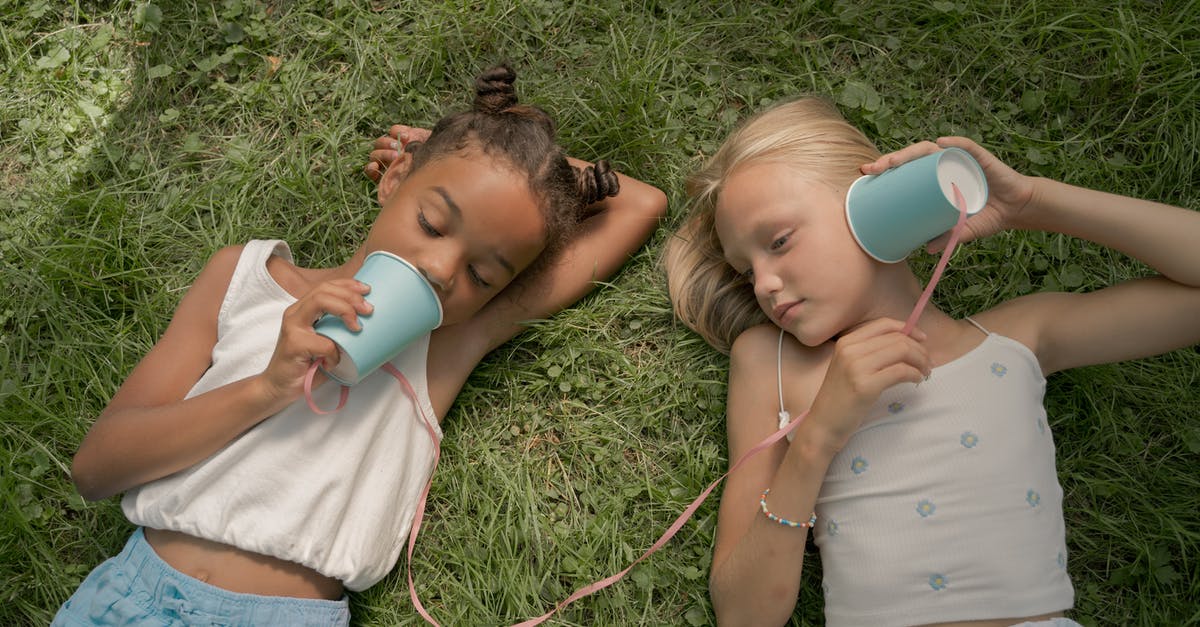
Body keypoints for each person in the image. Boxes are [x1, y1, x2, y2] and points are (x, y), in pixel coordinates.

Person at [55, 64, 667, 626]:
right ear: (395, 178)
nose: (441, 268)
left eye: (483, 275)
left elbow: (640, 203)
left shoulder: (447, 342)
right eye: (433, 222)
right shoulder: (246, 280)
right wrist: (268, 388)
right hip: (129, 598)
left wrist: (503, 157)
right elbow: (96, 470)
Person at [663, 97, 1200, 627]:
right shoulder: (772, 362)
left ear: (872, 200)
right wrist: (817, 438)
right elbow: (743, 614)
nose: (763, 284)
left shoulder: (1015, 339)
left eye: (778, 241)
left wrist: (1029, 202)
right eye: (745, 269)